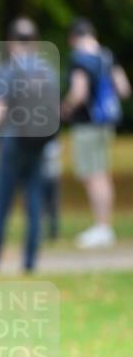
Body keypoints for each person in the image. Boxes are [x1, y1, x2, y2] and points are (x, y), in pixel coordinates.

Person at [0, 18, 59, 273]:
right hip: (40, 143)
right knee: (34, 200)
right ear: (36, 41)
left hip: (13, 141)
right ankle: (30, 261)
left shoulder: (9, 69)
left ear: (10, 41)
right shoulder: (47, 70)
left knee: (1, 202)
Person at [61, 18, 130, 248]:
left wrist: (65, 109)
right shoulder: (107, 56)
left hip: (87, 124)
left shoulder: (79, 59)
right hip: (106, 123)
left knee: (93, 175)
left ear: (73, 38)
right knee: (102, 172)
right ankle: (104, 225)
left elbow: (79, 92)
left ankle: (102, 228)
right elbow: (123, 89)